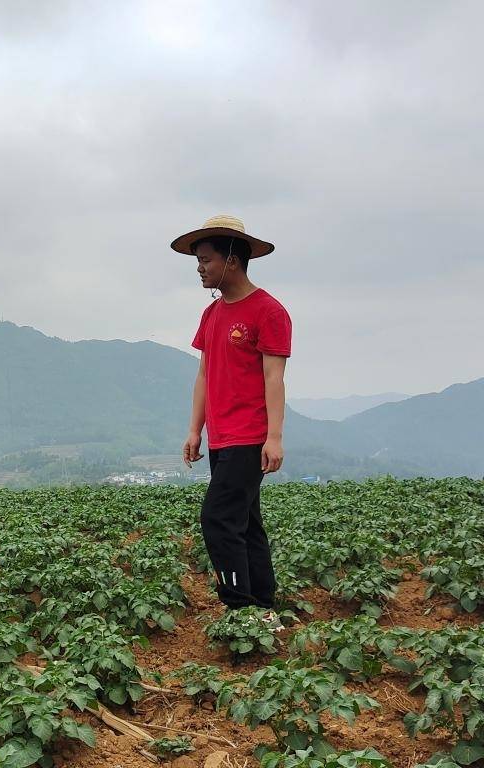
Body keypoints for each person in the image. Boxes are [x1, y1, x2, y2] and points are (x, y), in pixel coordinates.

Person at [173, 215, 291, 624]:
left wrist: (273, 437)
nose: (200, 268)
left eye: (205, 259)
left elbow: (274, 378)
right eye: (198, 261)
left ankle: (239, 609)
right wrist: (195, 428)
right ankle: (263, 608)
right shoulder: (212, 315)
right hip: (222, 438)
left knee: (218, 519)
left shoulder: (268, 311)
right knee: (246, 522)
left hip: (249, 436)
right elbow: (205, 374)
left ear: (232, 261)